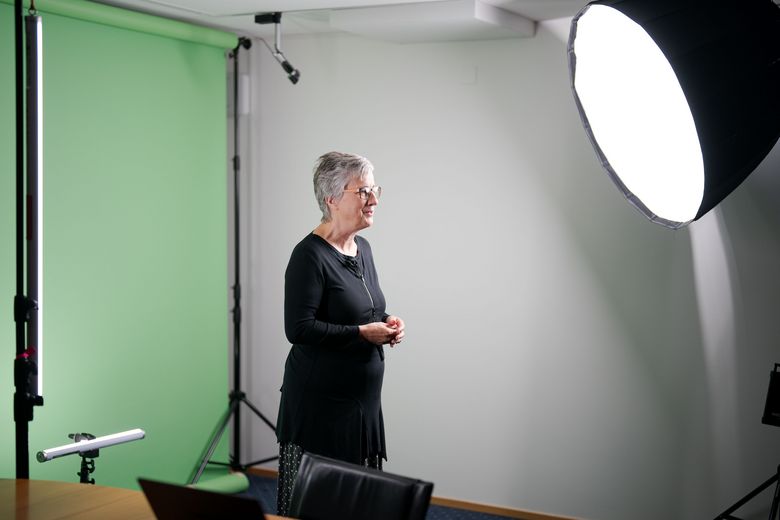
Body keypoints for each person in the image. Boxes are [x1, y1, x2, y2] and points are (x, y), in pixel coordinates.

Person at [275, 151, 405, 516]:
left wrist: (389, 322)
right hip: (322, 409)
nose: (374, 199)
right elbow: (298, 329)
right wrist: (363, 334)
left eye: (374, 189)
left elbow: (366, 311)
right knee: (321, 509)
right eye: (363, 191)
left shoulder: (363, 249)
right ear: (332, 199)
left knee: (357, 507)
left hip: (361, 407)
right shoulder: (308, 256)